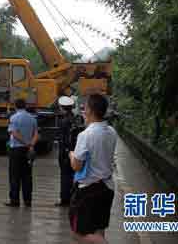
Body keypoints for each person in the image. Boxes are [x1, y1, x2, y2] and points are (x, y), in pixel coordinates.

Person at [69, 93, 117, 244]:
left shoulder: (86, 135)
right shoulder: (111, 132)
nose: (83, 111)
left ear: (89, 110)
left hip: (89, 189)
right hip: (107, 187)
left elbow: (77, 166)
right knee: (99, 229)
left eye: (85, 108)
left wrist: (71, 155)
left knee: (78, 233)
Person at [5, 98, 38, 208]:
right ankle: (28, 201)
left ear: (15, 106)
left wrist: (26, 143)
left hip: (16, 150)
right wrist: (31, 145)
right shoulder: (32, 118)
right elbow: (36, 134)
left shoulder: (13, 118)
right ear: (25, 106)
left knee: (14, 176)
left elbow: (14, 133)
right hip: (28, 151)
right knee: (27, 176)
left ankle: (15, 201)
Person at [56, 96, 76, 207]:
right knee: (73, 176)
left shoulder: (63, 121)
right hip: (75, 152)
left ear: (62, 108)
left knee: (65, 176)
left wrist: (64, 153)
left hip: (65, 153)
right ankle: (73, 197)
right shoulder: (76, 119)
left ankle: (65, 200)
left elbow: (63, 139)